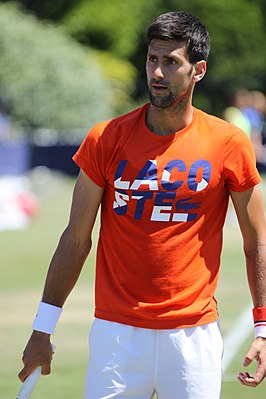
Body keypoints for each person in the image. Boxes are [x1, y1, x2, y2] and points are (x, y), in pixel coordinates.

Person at [18, 11, 266, 399]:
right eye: (153, 59)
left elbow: (257, 242)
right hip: (116, 335)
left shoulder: (229, 143)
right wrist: (42, 327)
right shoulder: (105, 139)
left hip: (192, 336)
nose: (158, 73)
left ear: (198, 70)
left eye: (172, 62)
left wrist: (263, 329)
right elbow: (76, 238)